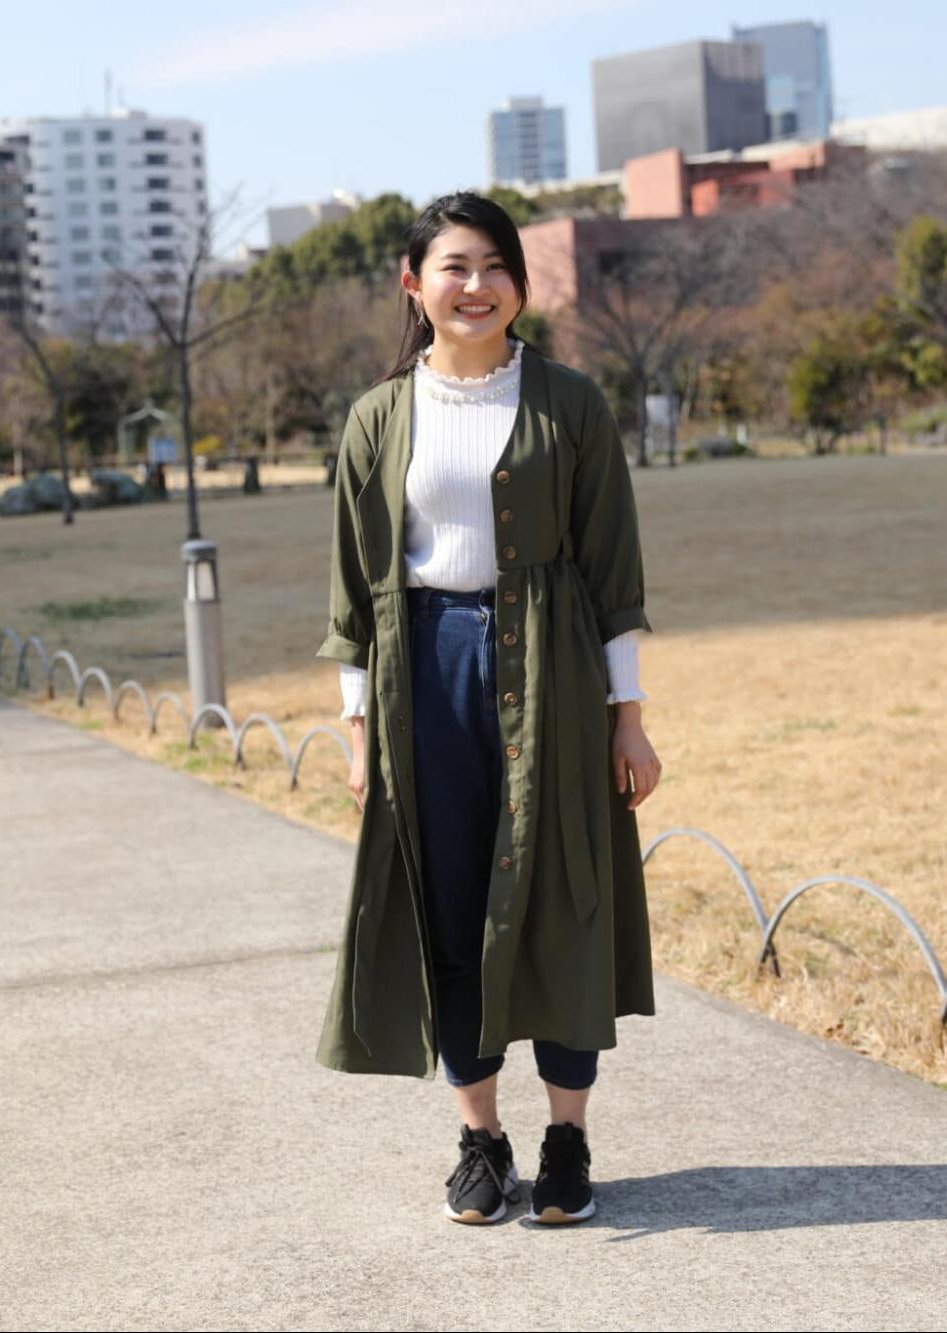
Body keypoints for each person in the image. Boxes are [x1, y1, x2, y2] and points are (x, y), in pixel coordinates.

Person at [315, 192, 662, 1228]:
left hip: (551, 676)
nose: (477, 286)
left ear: (520, 282)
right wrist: (357, 725)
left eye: (495, 266)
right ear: (412, 284)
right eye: (454, 267)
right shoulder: (379, 417)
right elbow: (352, 584)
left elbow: (612, 574)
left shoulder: (572, 402)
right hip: (423, 677)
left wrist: (627, 714)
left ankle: (566, 1138)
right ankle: (479, 1138)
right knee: (449, 908)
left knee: (562, 896)